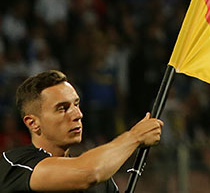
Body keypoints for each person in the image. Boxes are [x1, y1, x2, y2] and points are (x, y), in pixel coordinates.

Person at [0, 70, 163, 192]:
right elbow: (89, 172)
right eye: (62, 108)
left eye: (76, 104)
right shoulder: (16, 165)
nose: (78, 115)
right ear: (33, 123)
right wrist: (135, 136)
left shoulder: (101, 183)